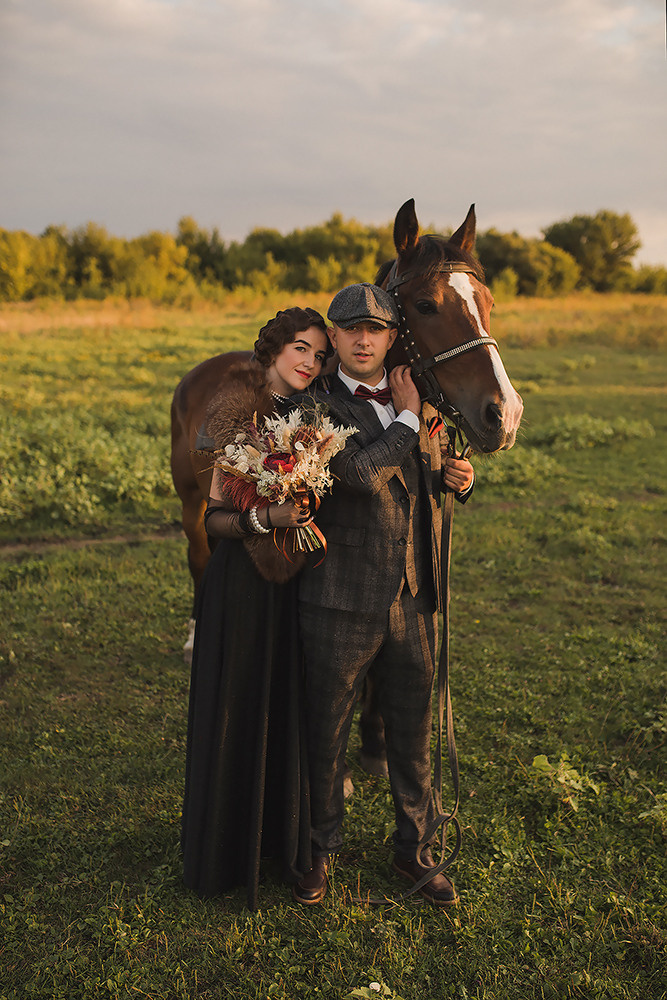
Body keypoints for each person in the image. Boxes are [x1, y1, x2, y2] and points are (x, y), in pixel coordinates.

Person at [291, 283, 474, 908]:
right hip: (339, 597)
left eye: (376, 330)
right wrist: (404, 417)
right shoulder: (313, 409)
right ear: (334, 339)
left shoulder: (417, 404)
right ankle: (317, 848)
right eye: (350, 331)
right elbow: (363, 477)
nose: (364, 340)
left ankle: (415, 849)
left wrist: (457, 476)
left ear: (393, 337)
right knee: (327, 727)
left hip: (413, 593)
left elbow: (422, 476)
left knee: (413, 727)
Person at [181, 307, 331, 909]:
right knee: (237, 705)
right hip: (240, 587)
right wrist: (265, 516)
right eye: (300, 347)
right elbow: (213, 517)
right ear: (272, 349)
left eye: (320, 355)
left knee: (286, 706)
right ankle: (225, 851)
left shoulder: (312, 418)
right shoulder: (233, 410)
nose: (309, 362)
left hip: (293, 585)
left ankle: (280, 845)